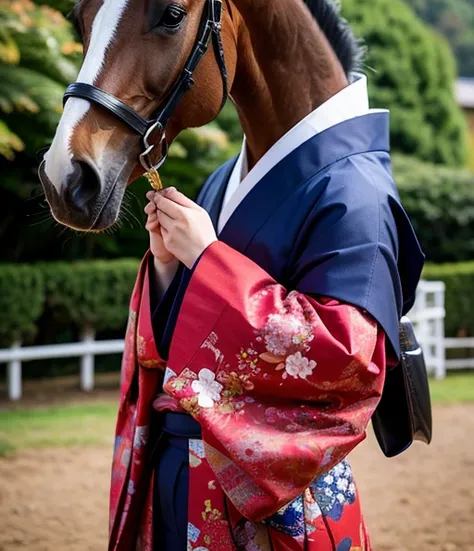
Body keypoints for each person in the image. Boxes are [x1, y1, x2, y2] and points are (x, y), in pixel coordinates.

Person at [109, 78, 424, 551]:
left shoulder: (355, 190)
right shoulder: (222, 179)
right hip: (173, 465)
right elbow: (175, 343)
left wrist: (210, 259)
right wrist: (169, 268)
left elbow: (346, 355)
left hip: (273, 493)